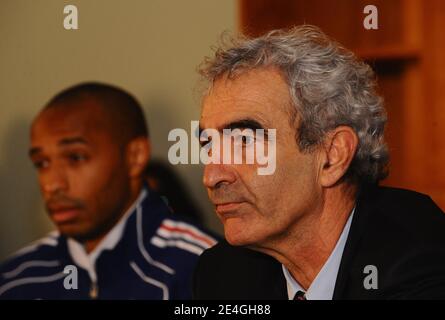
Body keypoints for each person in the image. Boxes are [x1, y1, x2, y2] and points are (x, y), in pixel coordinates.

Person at [193, 25, 445, 300]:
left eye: (244, 141)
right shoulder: (223, 274)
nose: (212, 176)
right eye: (208, 145)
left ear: (332, 156)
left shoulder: (419, 260)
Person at [0, 82, 217, 299]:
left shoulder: (202, 268)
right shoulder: (16, 279)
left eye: (76, 157)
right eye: (42, 163)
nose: (52, 184)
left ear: (135, 157)